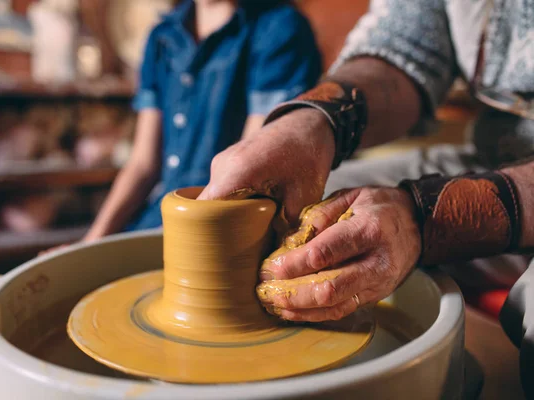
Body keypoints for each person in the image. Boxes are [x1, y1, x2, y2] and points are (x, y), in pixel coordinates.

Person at [198, 0, 534, 396]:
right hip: (498, 151)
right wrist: (314, 120)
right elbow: (407, 44)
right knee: (305, 213)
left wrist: (424, 219)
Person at [81, 0, 321, 240]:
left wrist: (187, 234)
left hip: (228, 225)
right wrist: (90, 243)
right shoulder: (162, 36)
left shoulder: (279, 29)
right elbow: (143, 165)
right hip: (161, 216)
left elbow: (250, 169)